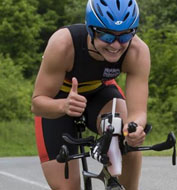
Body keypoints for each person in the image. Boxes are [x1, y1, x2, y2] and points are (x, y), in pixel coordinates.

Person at [31, 0, 150, 189]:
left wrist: (134, 129)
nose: (116, 45)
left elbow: (138, 112)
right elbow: (37, 104)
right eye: (107, 37)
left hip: (100, 92)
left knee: (123, 129)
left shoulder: (137, 51)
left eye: (125, 36)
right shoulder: (63, 44)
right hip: (58, 100)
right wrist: (64, 105)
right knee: (67, 187)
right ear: (90, 29)